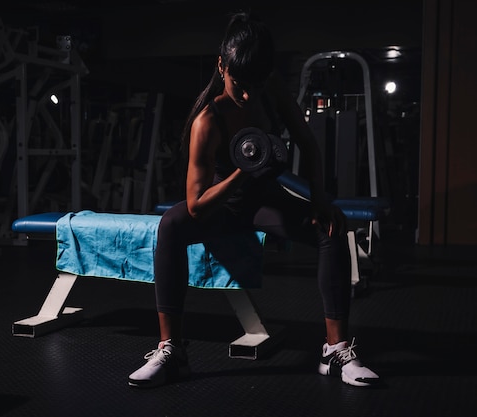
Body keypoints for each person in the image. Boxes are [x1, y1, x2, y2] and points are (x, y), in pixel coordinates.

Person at [127, 11, 380, 388]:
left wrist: (321, 201)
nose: (247, 94)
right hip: (220, 208)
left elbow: (308, 144)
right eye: (239, 83)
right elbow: (196, 204)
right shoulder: (207, 120)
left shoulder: (270, 88)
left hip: (266, 202)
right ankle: (171, 351)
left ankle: (335, 351)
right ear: (221, 66)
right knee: (172, 225)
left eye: (256, 86)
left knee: (331, 228)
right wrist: (241, 173)